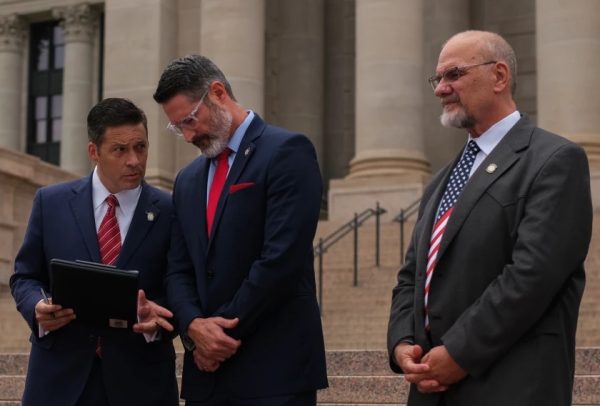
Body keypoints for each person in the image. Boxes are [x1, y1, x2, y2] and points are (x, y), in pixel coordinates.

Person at [387, 30, 593, 406]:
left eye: (454, 75)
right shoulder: (442, 180)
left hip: (512, 385)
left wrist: (459, 354)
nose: (440, 89)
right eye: (438, 79)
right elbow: (411, 275)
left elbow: (531, 276)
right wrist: (403, 344)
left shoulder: (554, 161)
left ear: (499, 76)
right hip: (431, 390)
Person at [153, 54, 328, 405]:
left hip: (274, 371)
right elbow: (177, 268)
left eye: (189, 120)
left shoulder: (287, 152)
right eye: (177, 127)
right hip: (206, 378)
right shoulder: (187, 180)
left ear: (218, 93)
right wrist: (192, 328)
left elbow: (281, 259)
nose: (187, 136)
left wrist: (217, 335)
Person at [10, 98, 179, 406]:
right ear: (93, 152)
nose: (134, 160)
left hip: (141, 384)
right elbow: (24, 277)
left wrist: (161, 319)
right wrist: (37, 307)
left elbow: (183, 285)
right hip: (59, 383)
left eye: (140, 147)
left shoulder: (171, 211)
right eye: (120, 150)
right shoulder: (51, 203)